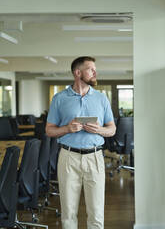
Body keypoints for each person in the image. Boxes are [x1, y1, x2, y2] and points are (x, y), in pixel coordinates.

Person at [46, 56, 116, 229]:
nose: (95, 72)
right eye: (90, 69)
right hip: (68, 157)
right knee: (68, 212)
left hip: (95, 157)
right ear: (78, 73)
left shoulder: (101, 98)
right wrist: (67, 129)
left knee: (96, 211)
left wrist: (99, 130)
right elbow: (49, 130)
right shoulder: (59, 99)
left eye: (94, 69)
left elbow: (112, 129)